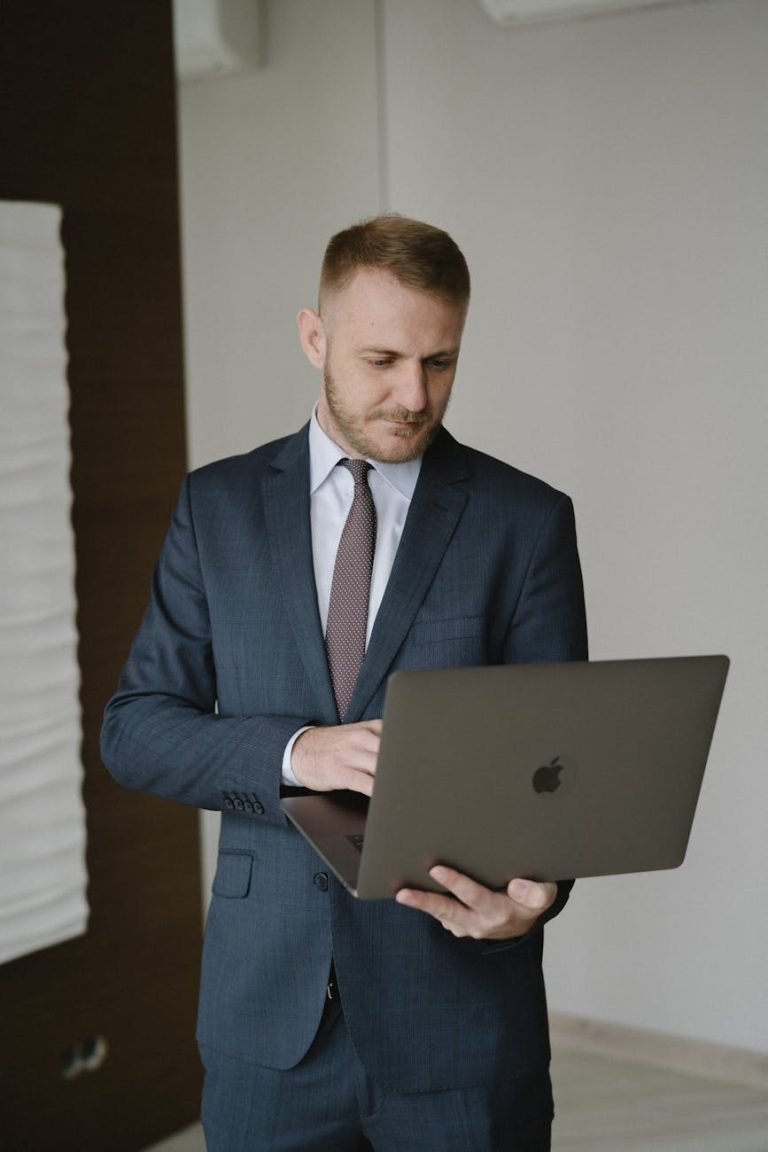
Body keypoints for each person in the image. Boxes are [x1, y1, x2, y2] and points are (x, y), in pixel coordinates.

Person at [101, 214, 588, 1151]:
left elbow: (560, 765)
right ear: (313, 338)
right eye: (382, 360)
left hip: (459, 1022)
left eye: (440, 362)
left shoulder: (524, 520)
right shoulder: (216, 508)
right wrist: (299, 750)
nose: (414, 394)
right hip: (265, 1020)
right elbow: (135, 727)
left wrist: (541, 895)